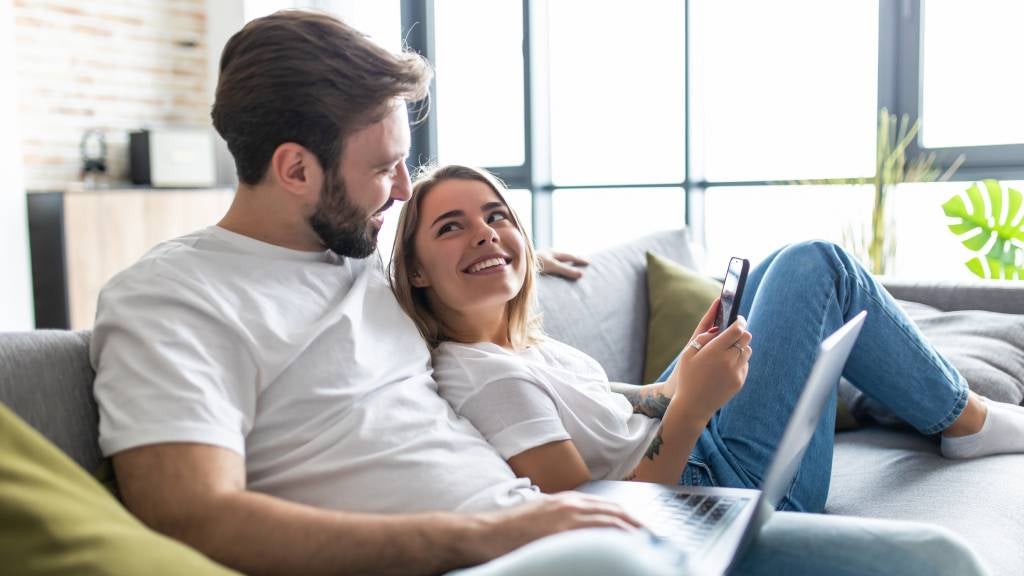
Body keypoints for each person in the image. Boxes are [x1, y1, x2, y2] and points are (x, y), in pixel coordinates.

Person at [89, 10, 990, 576]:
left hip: (577, 527)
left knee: (941, 557)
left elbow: (445, 272)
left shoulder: (358, 262)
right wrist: (477, 538)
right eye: (385, 169)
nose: (403, 190)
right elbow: (194, 517)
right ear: (292, 167)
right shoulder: (173, 301)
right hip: (502, 552)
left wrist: (516, 251)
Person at [390, 164, 1024, 513]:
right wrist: (692, 404)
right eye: (451, 227)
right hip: (724, 488)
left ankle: (930, 408)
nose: (485, 233)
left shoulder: (521, 347)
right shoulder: (485, 377)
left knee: (772, 269)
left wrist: (680, 377)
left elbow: (627, 407)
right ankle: (968, 422)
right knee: (816, 263)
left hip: (700, 446)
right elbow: (595, 521)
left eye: (497, 215)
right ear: (415, 271)